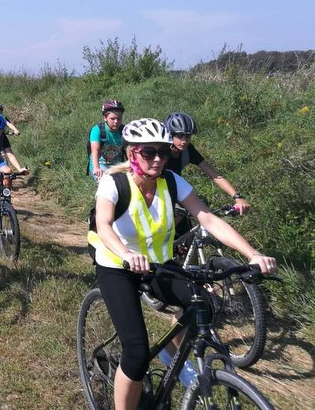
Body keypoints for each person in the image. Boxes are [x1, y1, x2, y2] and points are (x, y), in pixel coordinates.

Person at [92, 118, 276, 410]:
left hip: (159, 265)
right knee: (137, 352)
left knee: (203, 302)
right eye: (148, 152)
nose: (157, 159)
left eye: (163, 153)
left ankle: (170, 351)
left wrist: (252, 254)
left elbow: (208, 218)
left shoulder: (173, 182)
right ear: (132, 153)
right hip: (117, 267)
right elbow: (103, 225)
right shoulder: (113, 183)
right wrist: (126, 254)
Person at [164, 112, 249, 214]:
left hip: (174, 190)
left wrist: (237, 197)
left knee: (199, 206)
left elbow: (216, 176)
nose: (184, 141)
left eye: (187, 136)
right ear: (170, 135)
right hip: (157, 192)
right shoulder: (159, 152)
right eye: (180, 136)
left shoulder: (188, 151)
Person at [89, 100, 125, 180]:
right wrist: (96, 168)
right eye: (112, 118)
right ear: (105, 118)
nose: (116, 122)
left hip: (117, 164)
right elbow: (95, 150)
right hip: (100, 164)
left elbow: (130, 150)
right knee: (106, 182)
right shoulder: (97, 130)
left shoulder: (124, 131)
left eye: (119, 118)